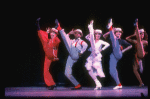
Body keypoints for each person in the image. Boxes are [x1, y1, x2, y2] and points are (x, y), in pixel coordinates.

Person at [55, 19, 88, 90]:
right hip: (70, 56)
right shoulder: (72, 41)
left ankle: (60, 28)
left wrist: (81, 52)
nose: (76, 34)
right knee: (67, 73)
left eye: (78, 33)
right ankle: (77, 85)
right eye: (75, 33)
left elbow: (86, 45)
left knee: (69, 42)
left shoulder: (81, 41)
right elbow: (66, 39)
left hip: (76, 54)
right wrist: (69, 33)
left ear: (80, 35)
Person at [103, 18, 132, 89]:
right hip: (113, 55)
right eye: (117, 32)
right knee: (111, 71)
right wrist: (112, 31)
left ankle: (110, 27)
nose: (118, 33)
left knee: (115, 42)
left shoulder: (122, 41)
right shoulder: (112, 38)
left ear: (121, 34)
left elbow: (131, 46)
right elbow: (104, 36)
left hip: (119, 54)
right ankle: (119, 84)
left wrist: (123, 50)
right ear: (115, 33)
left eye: (120, 32)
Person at [36, 18, 61, 90]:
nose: (52, 34)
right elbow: (41, 36)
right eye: (51, 33)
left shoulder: (56, 40)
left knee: (48, 40)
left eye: (54, 33)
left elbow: (58, 41)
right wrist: (38, 25)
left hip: (53, 56)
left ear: (56, 34)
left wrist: (56, 27)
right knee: (45, 70)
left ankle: (52, 84)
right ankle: (51, 84)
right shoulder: (47, 40)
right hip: (48, 56)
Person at [85, 20, 110, 90]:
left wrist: (102, 49)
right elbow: (86, 37)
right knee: (89, 71)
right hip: (91, 55)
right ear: (95, 35)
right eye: (96, 34)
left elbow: (108, 44)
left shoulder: (101, 41)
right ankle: (97, 83)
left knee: (96, 71)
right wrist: (93, 31)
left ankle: (91, 27)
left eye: (99, 34)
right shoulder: (92, 39)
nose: (98, 35)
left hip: (96, 55)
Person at [126, 19, 148, 87]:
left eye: (143, 34)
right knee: (134, 70)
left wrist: (146, 52)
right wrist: (134, 35)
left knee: (140, 42)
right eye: (140, 34)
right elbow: (127, 38)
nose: (142, 35)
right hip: (137, 57)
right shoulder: (135, 41)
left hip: (142, 55)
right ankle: (141, 83)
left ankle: (136, 25)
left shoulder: (145, 42)